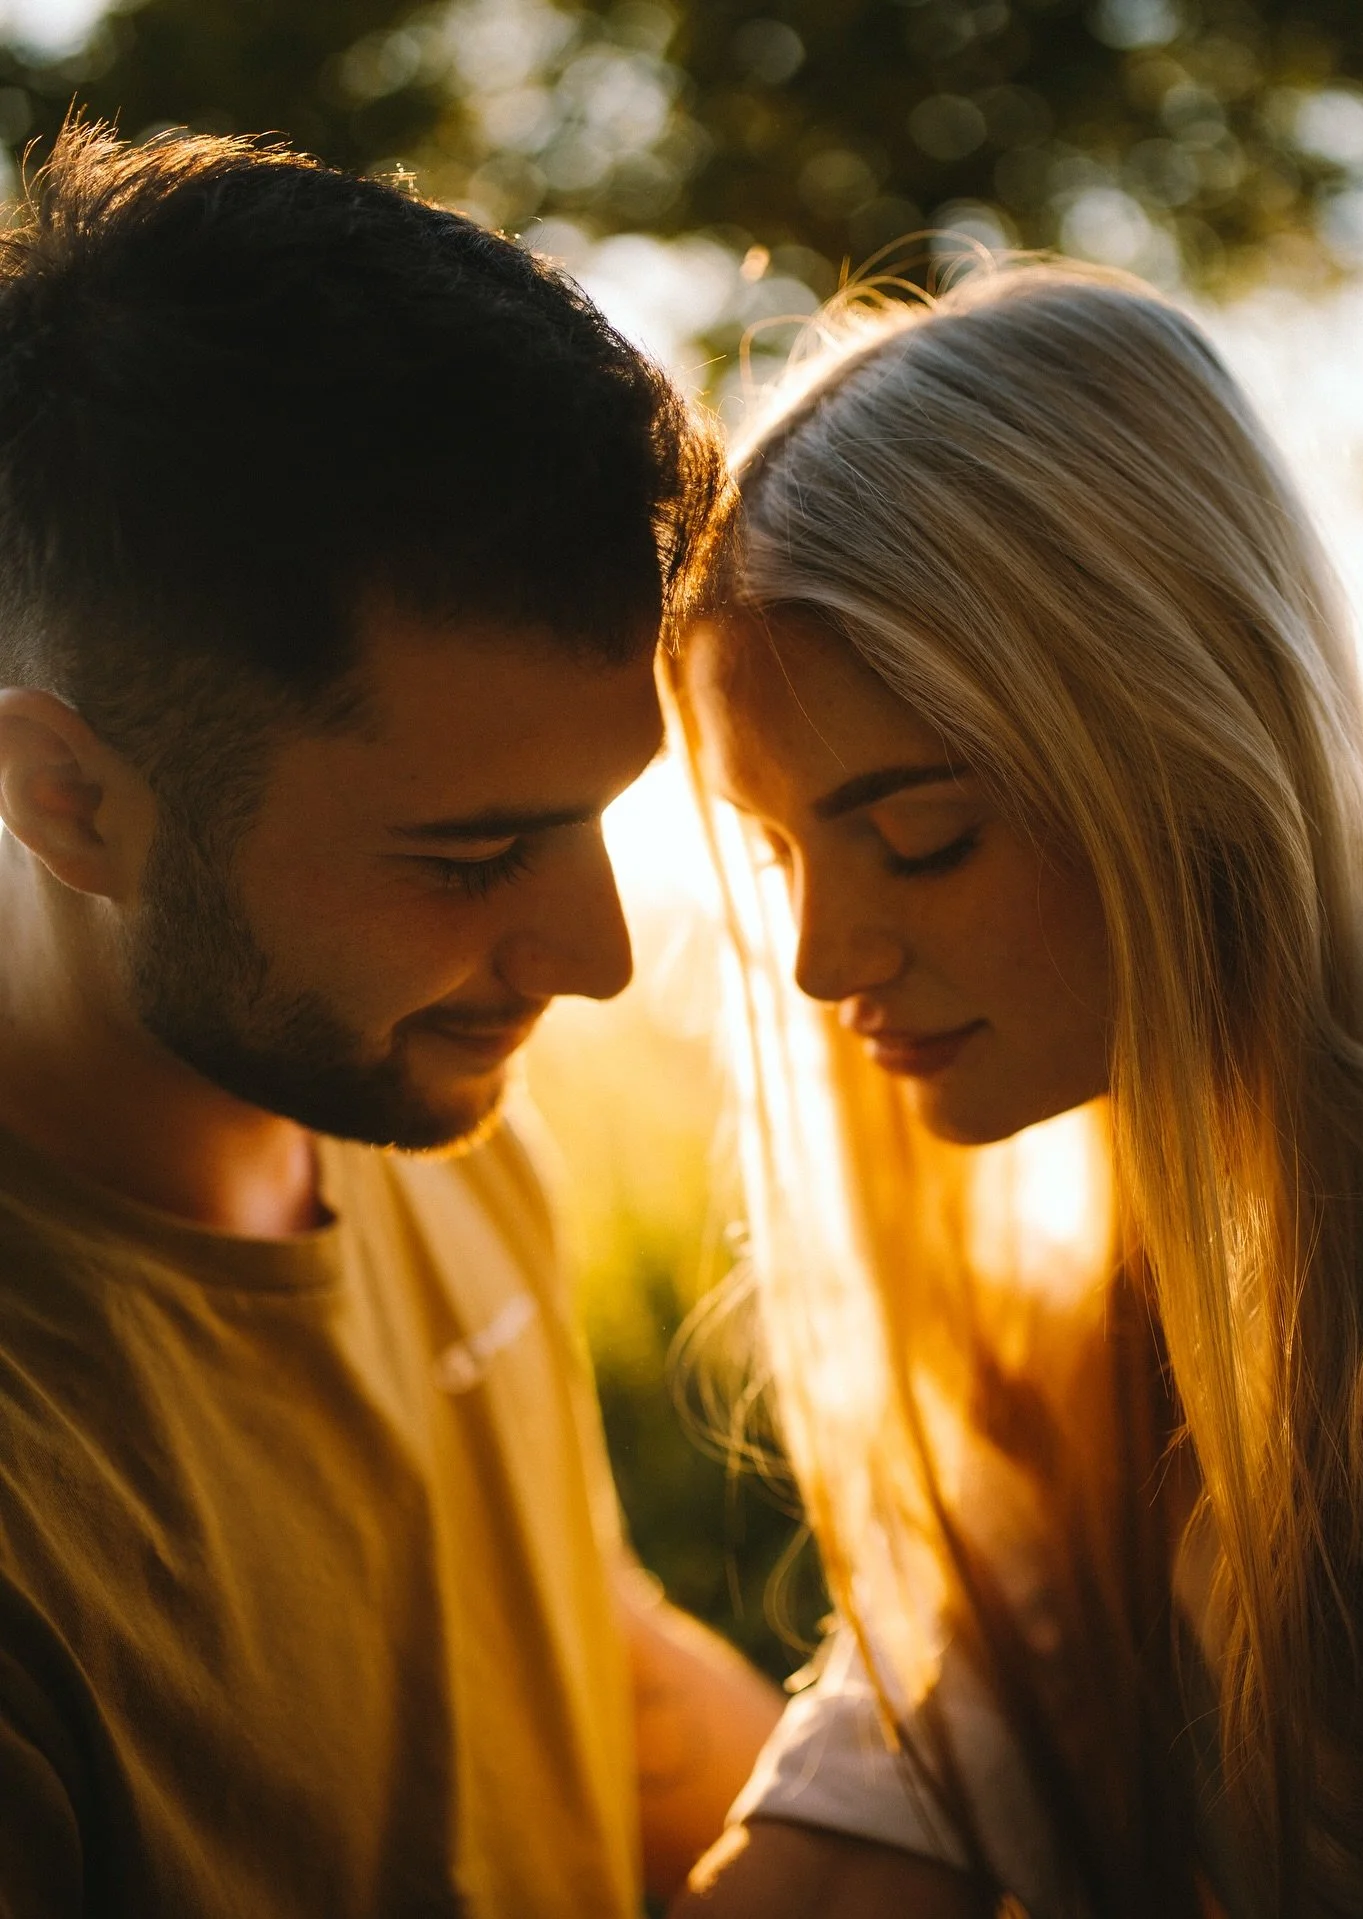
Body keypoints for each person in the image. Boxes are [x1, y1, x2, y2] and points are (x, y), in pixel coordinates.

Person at [0, 119, 781, 1916]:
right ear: (70, 801)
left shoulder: (408, 1102)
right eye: (475, 852)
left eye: (600, 814)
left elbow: (578, 1651)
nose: (592, 959)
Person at [668, 263, 1363, 1916]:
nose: (819, 959)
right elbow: (857, 1830)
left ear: (1176, 739)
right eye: (779, 850)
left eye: (921, 834)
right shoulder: (1100, 1302)